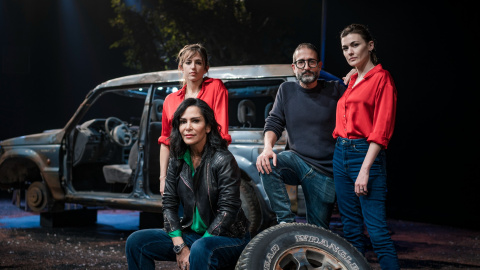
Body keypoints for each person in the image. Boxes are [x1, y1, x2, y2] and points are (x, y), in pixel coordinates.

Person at [126, 98, 249, 270]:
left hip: (229, 237)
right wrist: (180, 246)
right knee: (136, 242)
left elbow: (228, 211)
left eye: (195, 121)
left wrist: (197, 246)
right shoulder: (177, 159)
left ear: (208, 127)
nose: (188, 127)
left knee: (200, 249)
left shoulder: (223, 160)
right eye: (183, 122)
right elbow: (169, 204)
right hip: (193, 235)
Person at [256, 43, 346, 229]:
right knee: (267, 164)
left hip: (325, 172)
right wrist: (267, 149)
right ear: (293, 67)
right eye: (301, 62)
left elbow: (360, 95)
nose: (306, 67)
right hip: (297, 161)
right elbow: (274, 122)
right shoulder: (286, 90)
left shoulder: (335, 89)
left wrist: (353, 76)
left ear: (320, 66)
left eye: (311, 62)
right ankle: (286, 223)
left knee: (317, 232)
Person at [333, 24, 399, 269]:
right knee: (350, 230)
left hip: (365, 153)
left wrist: (365, 168)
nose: (349, 51)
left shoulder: (382, 79)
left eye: (355, 45)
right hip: (340, 153)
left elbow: (381, 130)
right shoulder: (352, 80)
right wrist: (352, 75)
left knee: (377, 232)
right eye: (345, 48)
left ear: (370, 45)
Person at [159, 43, 231, 195]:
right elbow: (166, 141)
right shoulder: (170, 100)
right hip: (178, 166)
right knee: (179, 215)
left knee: (209, 214)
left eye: (198, 63)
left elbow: (222, 133)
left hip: (208, 163)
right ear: (181, 67)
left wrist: (216, 170)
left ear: (206, 68)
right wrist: (163, 178)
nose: (193, 67)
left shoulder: (216, 87)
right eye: (188, 62)